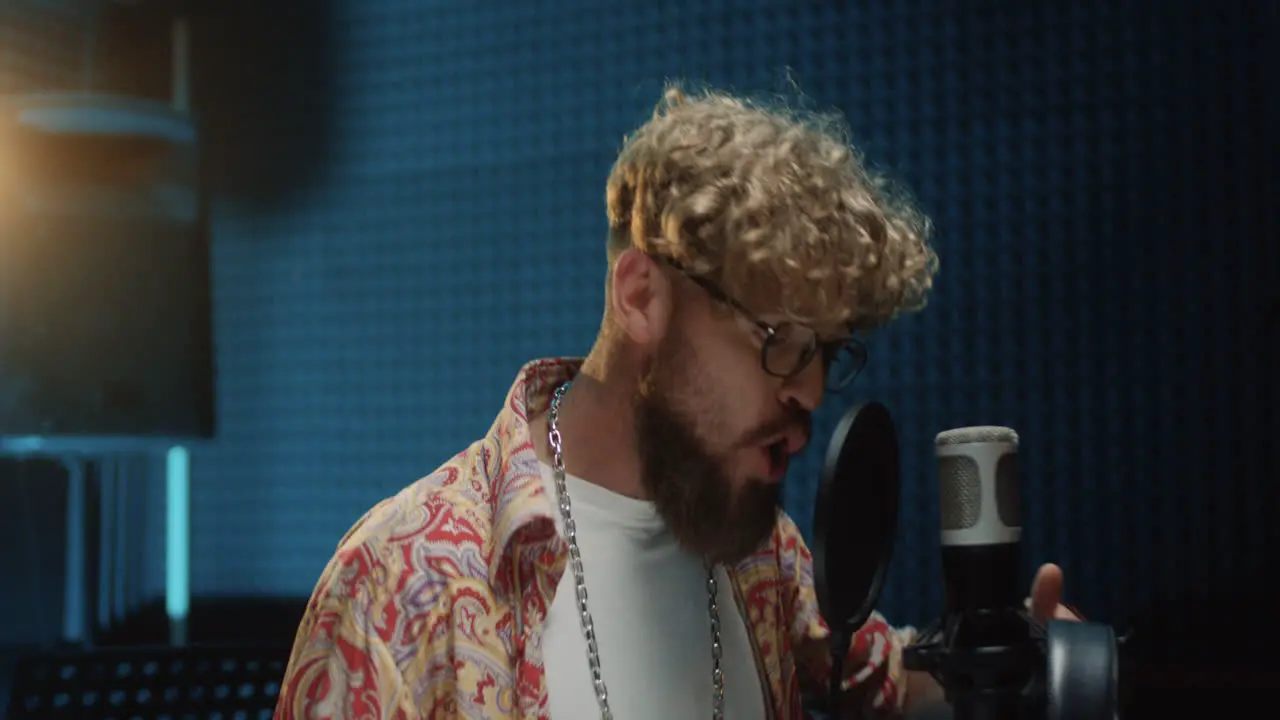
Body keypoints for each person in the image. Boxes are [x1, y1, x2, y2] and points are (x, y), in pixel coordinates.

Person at [275, 84, 1081, 719]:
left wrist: (1013, 662)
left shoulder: (768, 555)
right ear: (642, 299)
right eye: (781, 339)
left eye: (827, 353)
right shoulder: (400, 582)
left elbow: (891, 681)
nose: (808, 389)